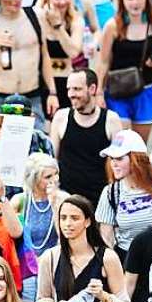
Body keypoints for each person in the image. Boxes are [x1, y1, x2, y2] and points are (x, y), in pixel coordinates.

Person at [97, 0, 152, 142]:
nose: (135, 3)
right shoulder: (113, 26)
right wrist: (99, 92)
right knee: (121, 142)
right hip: (118, 89)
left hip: (146, 88)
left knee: (139, 146)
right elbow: (104, 61)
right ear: (122, 0)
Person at [36, 194, 128, 302]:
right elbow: (41, 300)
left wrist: (104, 297)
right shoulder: (50, 257)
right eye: (63, 218)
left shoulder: (107, 258)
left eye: (74, 218)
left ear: (87, 221)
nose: (68, 223)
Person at [50, 69, 123, 208]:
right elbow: (52, 160)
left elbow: (119, 162)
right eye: (69, 89)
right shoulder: (61, 117)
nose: (71, 94)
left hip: (100, 199)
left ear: (92, 89)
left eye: (77, 89)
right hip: (67, 199)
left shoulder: (111, 120)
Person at [95, 129, 152, 258]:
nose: (114, 164)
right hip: (128, 260)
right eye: (111, 158)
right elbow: (106, 240)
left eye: (119, 158)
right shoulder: (111, 193)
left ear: (136, 159)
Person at [12, 154, 66, 302]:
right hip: (26, 267)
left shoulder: (63, 199)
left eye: (56, 174)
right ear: (34, 179)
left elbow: (65, 235)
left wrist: (54, 203)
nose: (54, 180)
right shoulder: (20, 201)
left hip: (54, 264)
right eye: (48, 176)